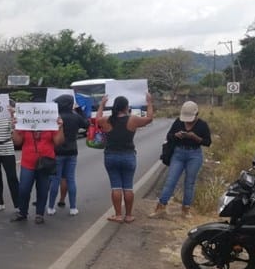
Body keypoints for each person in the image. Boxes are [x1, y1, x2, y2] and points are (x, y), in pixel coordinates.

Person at [96, 94, 153, 223]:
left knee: (115, 186)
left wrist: (101, 105)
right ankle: (128, 215)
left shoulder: (106, 120)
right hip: (128, 155)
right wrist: (149, 103)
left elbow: (97, 119)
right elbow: (149, 118)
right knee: (128, 187)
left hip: (111, 155)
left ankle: (118, 215)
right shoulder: (132, 120)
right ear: (126, 107)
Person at [150, 101, 212, 219]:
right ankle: (161, 207)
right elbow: (169, 136)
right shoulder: (178, 122)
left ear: (196, 114)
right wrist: (176, 135)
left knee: (189, 183)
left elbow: (207, 142)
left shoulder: (202, 125)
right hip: (178, 153)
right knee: (170, 180)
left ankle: (186, 209)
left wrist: (195, 137)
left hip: (194, 154)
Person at [10, 116, 65, 223]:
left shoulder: (50, 123)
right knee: (24, 189)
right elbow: (17, 142)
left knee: (43, 189)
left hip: (46, 163)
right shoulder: (25, 124)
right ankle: (22, 212)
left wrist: (60, 127)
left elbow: (58, 142)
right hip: (28, 162)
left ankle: (39, 214)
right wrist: (15, 128)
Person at [47, 94, 90, 216]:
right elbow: (86, 124)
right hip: (72, 151)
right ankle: (73, 207)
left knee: (55, 179)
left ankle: (50, 207)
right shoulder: (75, 117)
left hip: (57, 151)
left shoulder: (56, 117)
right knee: (70, 179)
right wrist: (79, 110)